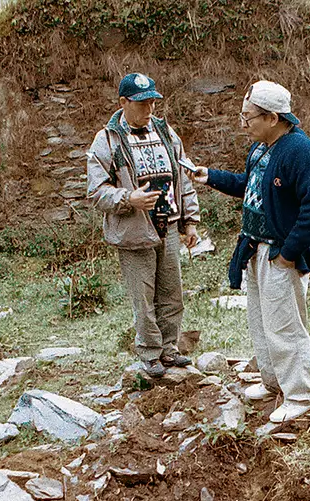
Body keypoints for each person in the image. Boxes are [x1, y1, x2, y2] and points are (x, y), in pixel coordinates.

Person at [188, 81, 310, 423]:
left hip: (278, 254)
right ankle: (273, 383)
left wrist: (288, 253)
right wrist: (208, 176)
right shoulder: (262, 148)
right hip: (254, 249)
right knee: (261, 322)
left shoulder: (300, 151)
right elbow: (248, 185)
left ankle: (299, 395)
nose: (243, 123)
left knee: (284, 326)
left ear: (271, 117)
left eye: (248, 116)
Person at [87, 73, 201, 378]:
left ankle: (170, 349)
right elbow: (96, 191)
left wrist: (190, 221)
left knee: (172, 292)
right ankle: (150, 353)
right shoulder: (107, 140)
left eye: (152, 101)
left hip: (170, 226)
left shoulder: (166, 133)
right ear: (123, 102)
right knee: (143, 295)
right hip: (134, 231)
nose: (149, 108)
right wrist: (128, 198)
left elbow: (184, 178)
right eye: (141, 103)